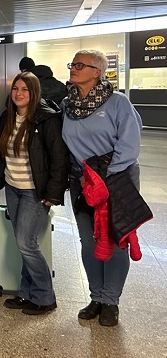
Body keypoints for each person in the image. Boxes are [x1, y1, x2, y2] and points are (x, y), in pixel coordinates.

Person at [62, 50, 143, 327]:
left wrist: (104, 177)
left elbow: (129, 146)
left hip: (116, 180)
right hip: (82, 182)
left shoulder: (118, 103)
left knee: (116, 239)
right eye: (73, 64)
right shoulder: (67, 105)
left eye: (80, 65)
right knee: (89, 241)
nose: (74, 68)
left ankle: (111, 301)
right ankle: (95, 296)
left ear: (97, 71)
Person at [0, 72, 69, 315]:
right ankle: (27, 293)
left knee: (25, 242)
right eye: (15, 88)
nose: (18, 93)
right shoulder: (7, 117)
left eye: (25, 89)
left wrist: (53, 193)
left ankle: (46, 296)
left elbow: (59, 159)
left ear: (34, 92)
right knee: (23, 242)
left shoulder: (46, 119)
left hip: (34, 192)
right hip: (13, 188)